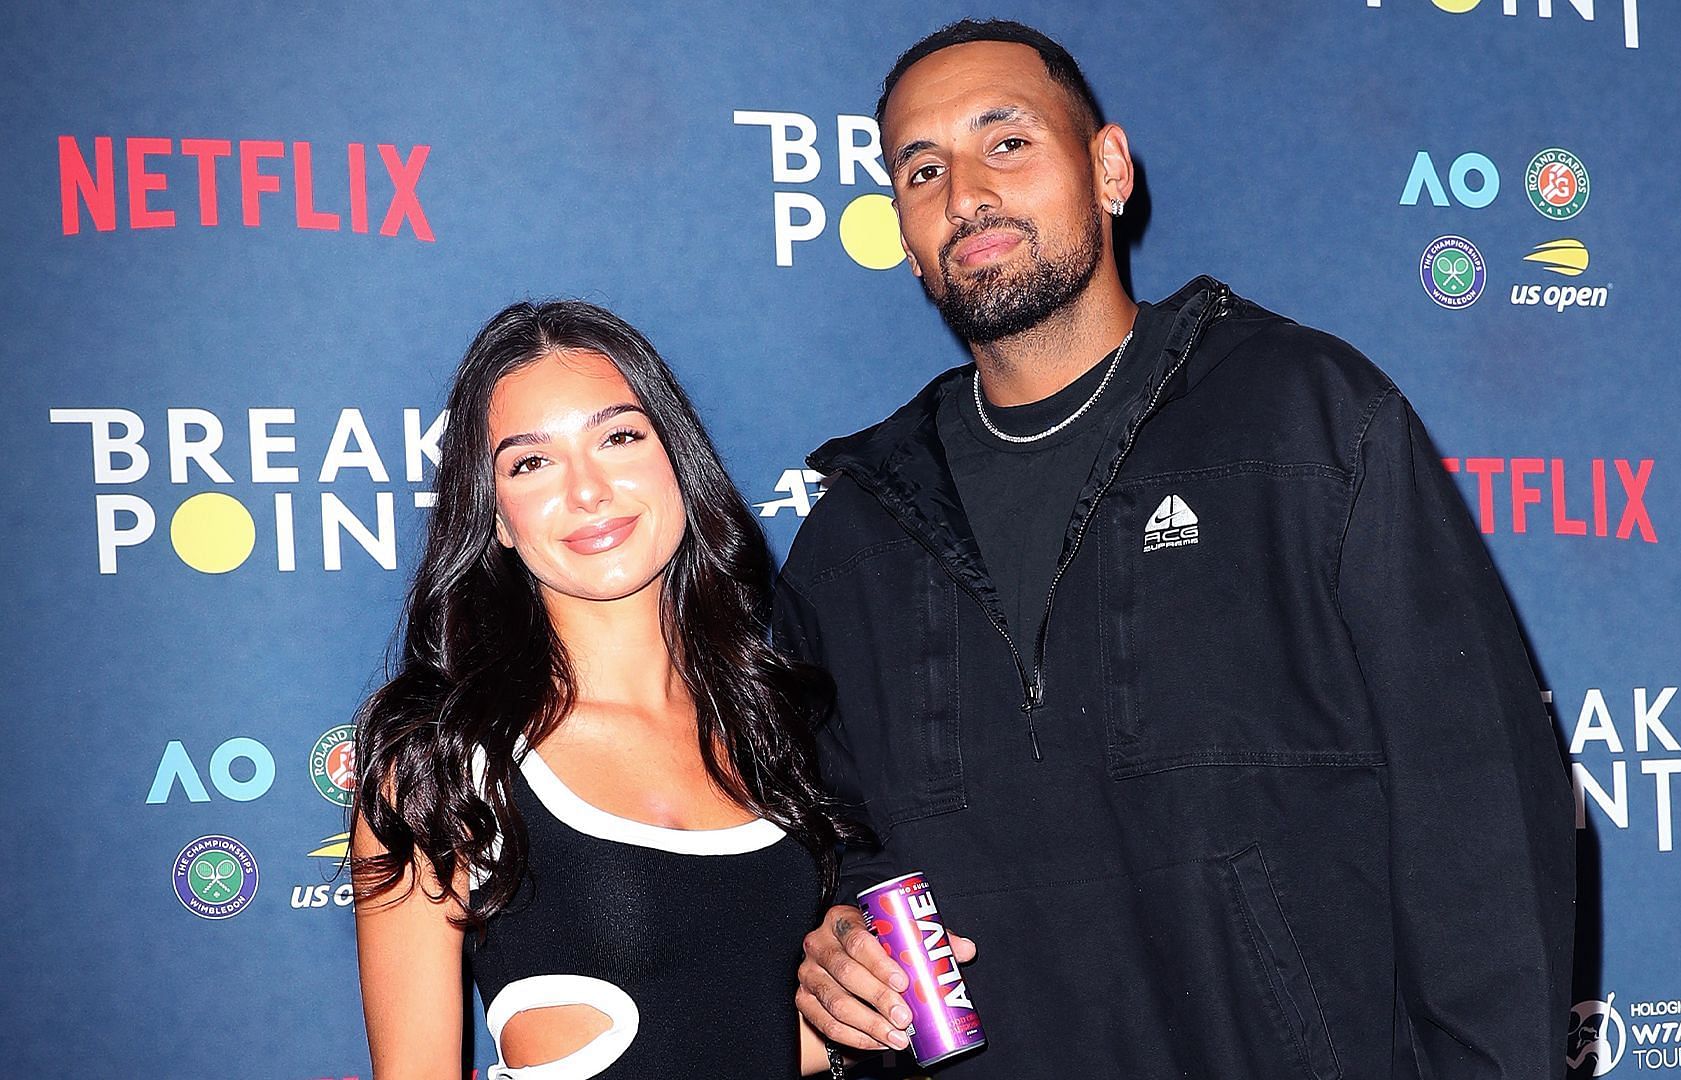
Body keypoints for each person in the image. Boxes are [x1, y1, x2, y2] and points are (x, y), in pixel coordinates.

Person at [777, 19, 1575, 1079]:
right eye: (922, 171)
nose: (966, 191)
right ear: (904, 230)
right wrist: (835, 934)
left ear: (1107, 167)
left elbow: (1482, 822)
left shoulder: (1307, 420)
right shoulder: (855, 531)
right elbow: (824, 840)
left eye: (1006, 143)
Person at [351, 300, 856, 1079]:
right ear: (499, 521)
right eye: (531, 462)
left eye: (619, 436)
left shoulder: (778, 720)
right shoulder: (445, 764)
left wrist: (880, 1016)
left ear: (676, 461)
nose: (587, 490)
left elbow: (738, 1026)